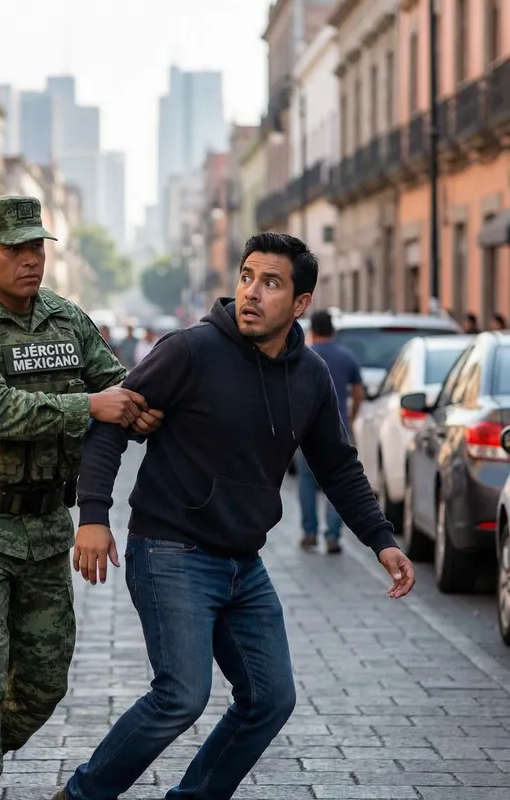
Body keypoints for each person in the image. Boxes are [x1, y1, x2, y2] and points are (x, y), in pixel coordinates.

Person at [52, 232, 415, 800]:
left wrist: (381, 539)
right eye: (247, 276)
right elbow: (111, 421)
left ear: (300, 304)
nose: (251, 292)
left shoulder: (313, 376)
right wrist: (93, 514)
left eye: (271, 283)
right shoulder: (191, 350)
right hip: (170, 550)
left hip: (243, 563)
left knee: (271, 698)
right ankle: (82, 795)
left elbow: (337, 466)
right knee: (181, 695)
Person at [0, 194, 163, 800]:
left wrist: (148, 406)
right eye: (15, 249)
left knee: (45, 678)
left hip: (47, 524)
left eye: (37, 248)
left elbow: (117, 384)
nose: (31, 260)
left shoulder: (66, 318)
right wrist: (91, 406)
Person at [297, 309, 364, 553]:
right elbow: (358, 392)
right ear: (332, 331)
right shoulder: (346, 357)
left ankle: (309, 532)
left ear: (312, 331)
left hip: (305, 431)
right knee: (336, 480)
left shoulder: (304, 356)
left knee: (306, 482)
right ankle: (333, 536)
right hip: (338, 429)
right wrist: (351, 416)